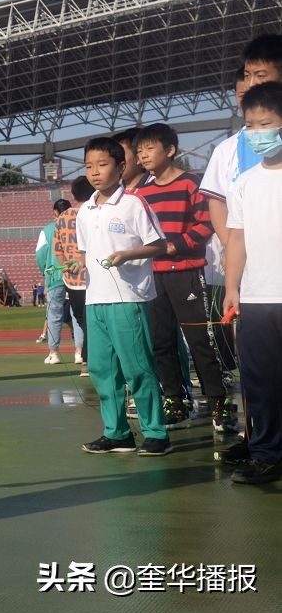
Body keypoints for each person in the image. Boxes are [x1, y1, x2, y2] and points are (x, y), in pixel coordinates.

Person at [73, 137, 170, 456]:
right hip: (95, 300)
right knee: (102, 370)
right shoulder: (85, 210)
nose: (95, 172)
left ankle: (156, 432)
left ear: (121, 166)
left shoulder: (133, 203)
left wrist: (128, 254)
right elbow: (85, 250)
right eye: (89, 166)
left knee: (137, 367)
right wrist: (78, 260)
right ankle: (116, 433)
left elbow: (158, 245)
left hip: (129, 298)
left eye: (102, 165)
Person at [134, 122, 232, 431]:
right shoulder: (141, 192)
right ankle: (175, 401)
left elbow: (206, 225)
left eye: (149, 148)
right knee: (161, 342)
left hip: (186, 275)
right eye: (139, 150)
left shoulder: (192, 183)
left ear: (170, 150)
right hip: (154, 278)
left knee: (200, 341)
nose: (143, 155)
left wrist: (175, 246)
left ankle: (219, 402)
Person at [222, 80, 282, 483]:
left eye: (267, 124)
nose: (258, 133)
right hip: (259, 298)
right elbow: (237, 239)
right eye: (251, 125)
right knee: (260, 381)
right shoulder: (244, 182)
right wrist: (232, 287)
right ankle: (267, 454)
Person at [55, 176, 95, 375]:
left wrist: (65, 268)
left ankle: (88, 359)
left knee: (81, 320)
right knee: (93, 322)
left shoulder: (62, 217)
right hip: (93, 278)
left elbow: (57, 249)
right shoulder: (95, 213)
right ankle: (89, 359)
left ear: (73, 194)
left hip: (72, 280)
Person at [37, 199, 72, 365]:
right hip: (76, 274)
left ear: (54, 213)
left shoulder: (48, 229)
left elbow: (40, 255)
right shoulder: (77, 224)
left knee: (54, 315)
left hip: (55, 276)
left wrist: (46, 270)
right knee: (77, 315)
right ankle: (80, 352)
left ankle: (54, 352)